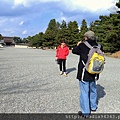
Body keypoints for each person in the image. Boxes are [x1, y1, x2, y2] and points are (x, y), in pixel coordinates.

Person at [72, 30, 102, 118]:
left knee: (84, 91)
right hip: (95, 72)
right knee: (93, 89)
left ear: (86, 37)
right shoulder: (99, 46)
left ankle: (86, 112)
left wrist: (77, 45)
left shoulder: (82, 45)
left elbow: (74, 51)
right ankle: (93, 106)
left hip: (84, 72)